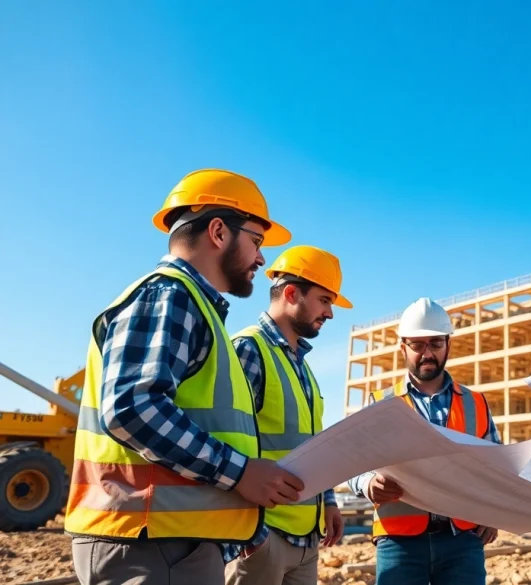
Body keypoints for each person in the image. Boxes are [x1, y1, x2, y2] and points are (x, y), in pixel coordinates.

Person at [64, 169, 305, 585]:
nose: (261, 259)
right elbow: (131, 407)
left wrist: (237, 525)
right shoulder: (170, 295)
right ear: (218, 232)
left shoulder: (194, 306)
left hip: (167, 540)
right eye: (256, 241)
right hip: (150, 542)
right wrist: (241, 473)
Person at [346, 297, 501, 585]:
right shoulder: (381, 403)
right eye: (417, 345)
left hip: (462, 540)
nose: (426, 353)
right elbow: (352, 464)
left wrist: (493, 514)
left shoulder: (476, 403)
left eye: (435, 344)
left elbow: (497, 468)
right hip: (399, 541)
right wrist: (368, 483)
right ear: (403, 347)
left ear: (448, 345)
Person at [224, 245, 353, 584]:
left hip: (306, 539)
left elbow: (312, 444)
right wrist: (251, 535)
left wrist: (329, 501)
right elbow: (227, 441)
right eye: (324, 300)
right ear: (293, 293)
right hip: (263, 536)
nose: (330, 313)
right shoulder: (248, 350)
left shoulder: (305, 370)